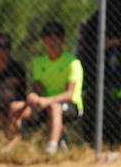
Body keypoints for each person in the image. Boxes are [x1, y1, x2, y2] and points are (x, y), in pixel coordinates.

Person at [8, 21, 83, 154]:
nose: (52, 39)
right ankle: (13, 145)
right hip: (44, 105)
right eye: (48, 35)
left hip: (70, 106)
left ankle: (51, 149)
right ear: (43, 39)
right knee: (15, 107)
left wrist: (46, 101)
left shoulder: (73, 62)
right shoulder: (39, 62)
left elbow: (69, 94)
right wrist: (34, 97)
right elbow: (38, 88)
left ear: (62, 39)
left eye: (56, 35)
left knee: (55, 107)